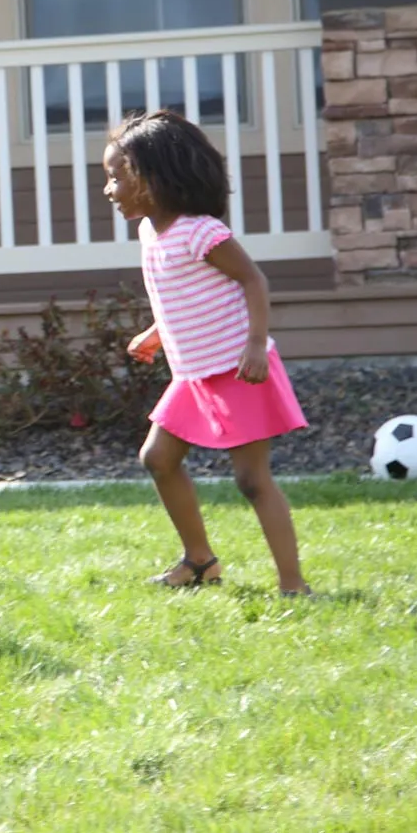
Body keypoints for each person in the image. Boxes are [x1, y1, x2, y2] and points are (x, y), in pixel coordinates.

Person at [102, 110, 313, 596]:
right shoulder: (150, 234)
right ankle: (200, 562)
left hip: (238, 368)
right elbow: (184, 295)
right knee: (157, 458)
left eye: (117, 178)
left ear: (152, 179)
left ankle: (293, 584)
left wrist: (256, 345)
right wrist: (157, 332)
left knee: (252, 480)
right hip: (194, 374)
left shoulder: (201, 231)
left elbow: (252, 280)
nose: (110, 191)